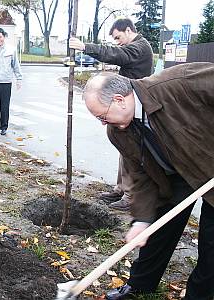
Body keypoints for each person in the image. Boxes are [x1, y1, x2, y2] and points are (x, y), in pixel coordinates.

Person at [81, 63, 214, 300]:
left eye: (102, 116)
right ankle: (140, 285)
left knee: (211, 244)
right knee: (157, 228)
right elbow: (141, 176)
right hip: (176, 174)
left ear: (120, 99)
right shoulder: (118, 131)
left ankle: (198, 295)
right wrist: (142, 220)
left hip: (209, 163)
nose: (102, 123)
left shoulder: (178, 83)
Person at [70, 17, 153, 211]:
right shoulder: (136, 47)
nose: (117, 42)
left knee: (131, 152)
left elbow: (117, 54)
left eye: (118, 37)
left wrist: (85, 47)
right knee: (124, 149)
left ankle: (130, 196)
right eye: (114, 39)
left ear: (129, 30)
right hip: (126, 104)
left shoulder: (140, 47)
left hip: (131, 107)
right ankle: (121, 189)